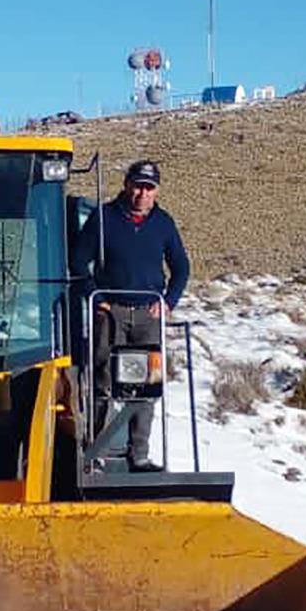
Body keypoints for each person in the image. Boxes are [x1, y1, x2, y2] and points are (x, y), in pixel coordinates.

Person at [70, 160, 190, 472]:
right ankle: (95, 452)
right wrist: (97, 298)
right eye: (137, 186)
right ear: (126, 185)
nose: (142, 193)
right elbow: (78, 262)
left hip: (148, 316)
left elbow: (181, 268)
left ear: (157, 191)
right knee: (102, 382)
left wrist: (168, 302)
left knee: (147, 386)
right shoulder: (104, 217)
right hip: (111, 314)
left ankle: (139, 455)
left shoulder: (164, 223)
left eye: (149, 188)